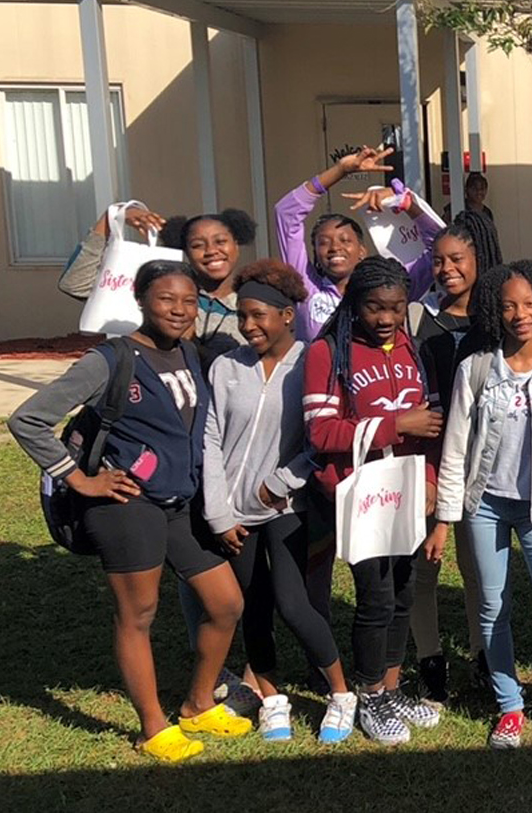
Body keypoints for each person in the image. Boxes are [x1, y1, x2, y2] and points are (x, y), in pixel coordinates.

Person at [11, 260, 249, 762]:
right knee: (137, 614)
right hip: (125, 505)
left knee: (226, 603)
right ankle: (152, 726)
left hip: (179, 503)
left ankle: (198, 703)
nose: (179, 310)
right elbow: (29, 419)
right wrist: (79, 479)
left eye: (188, 301)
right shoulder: (110, 359)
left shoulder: (189, 352)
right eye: (166, 299)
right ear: (140, 300)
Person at [202, 259, 356, 743]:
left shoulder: (311, 363)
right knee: (254, 606)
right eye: (242, 317)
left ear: (287, 315)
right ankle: (272, 700)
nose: (248, 326)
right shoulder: (226, 366)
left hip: (284, 509)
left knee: (293, 603)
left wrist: (285, 479)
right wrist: (218, 511)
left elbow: (319, 437)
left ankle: (340, 694)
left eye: (257, 316)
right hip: (232, 515)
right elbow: (208, 439)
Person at [436, 260, 532, 748]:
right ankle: (509, 705)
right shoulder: (475, 369)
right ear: (494, 312)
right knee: (490, 608)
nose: (520, 314)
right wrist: (444, 519)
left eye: (529, 304)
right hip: (485, 506)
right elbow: (455, 448)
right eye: (508, 306)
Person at [304, 256, 445, 745]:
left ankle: (392, 684)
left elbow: (431, 427)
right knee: (376, 594)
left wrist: (429, 479)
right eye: (374, 307)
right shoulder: (327, 353)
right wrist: (395, 425)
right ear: (354, 303)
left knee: (405, 588)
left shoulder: (411, 347)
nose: (385, 318)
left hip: (407, 487)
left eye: (396, 307)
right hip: (359, 490)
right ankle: (368, 695)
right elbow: (321, 432)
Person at [407, 214, 504, 705]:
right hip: (429, 463)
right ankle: (430, 661)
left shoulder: (499, 324)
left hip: (484, 467)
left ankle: (483, 658)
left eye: (456, 259)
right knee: (425, 564)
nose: (445, 268)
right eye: (437, 260)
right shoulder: (419, 321)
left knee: (478, 569)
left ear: (478, 261)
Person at [275, 146, 438, 340]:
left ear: (362, 251)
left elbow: (440, 247)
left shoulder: (390, 287)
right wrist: (340, 171)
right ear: (315, 252)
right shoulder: (306, 289)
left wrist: (407, 204)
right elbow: (286, 214)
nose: (335, 247)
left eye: (345, 240)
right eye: (324, 242)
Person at [158, 209, 257, 362]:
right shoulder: (174, 303)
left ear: (236, 245)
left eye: (220, 242)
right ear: (186, 252)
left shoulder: (255, 300)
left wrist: (191, 342)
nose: (211, 251)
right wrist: (116, 217)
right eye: (198, 245)